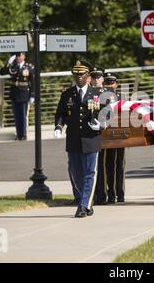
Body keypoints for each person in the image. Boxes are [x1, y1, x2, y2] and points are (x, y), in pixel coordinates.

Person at [53, 60, 105, 218]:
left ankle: (84, 205)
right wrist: (58, 127)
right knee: (75, 173)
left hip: (91, 139)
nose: (79, 77)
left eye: (82, 74)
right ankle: (87, 201)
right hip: (74, 139)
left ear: (88, 76)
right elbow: (60, 113)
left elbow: (106, 114)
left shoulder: (96, 94)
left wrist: (100, 125)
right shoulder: (67, 94)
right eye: (76, 74)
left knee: (90, 173)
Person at [102, 72, 127, 203]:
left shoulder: (121, 97)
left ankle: (120, 193)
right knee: (109, 165)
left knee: (120, 165)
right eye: (107, 83)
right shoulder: (100, 97)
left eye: (112, 83)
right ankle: (110, 193)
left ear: (116, 84)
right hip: (107, 135)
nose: (109, 85)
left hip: (120, 135)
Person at [0, 52, 34, 140]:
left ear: (24, 56)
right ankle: (18, 135)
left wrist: (33, 95)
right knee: (17, 116)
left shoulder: (29, 67)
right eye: (17, 56)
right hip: (14, 93)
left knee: (23, 116)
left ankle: (24, 135)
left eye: (20, 55)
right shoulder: (13, 67)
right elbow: (1, 72)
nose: (18, 57)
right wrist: (8, 64)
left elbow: (34, 82)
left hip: (24, 93)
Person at [90, 66, 109, 205]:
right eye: (94, 77)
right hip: (88, 131)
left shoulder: (107, 93)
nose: (96, 79)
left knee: (101, 166)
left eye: (98, 77)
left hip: (102, 131)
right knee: (91, 167)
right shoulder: (88, 91)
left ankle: (102, 195)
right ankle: (92, 194)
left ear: (102, 78)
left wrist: (101, 124)